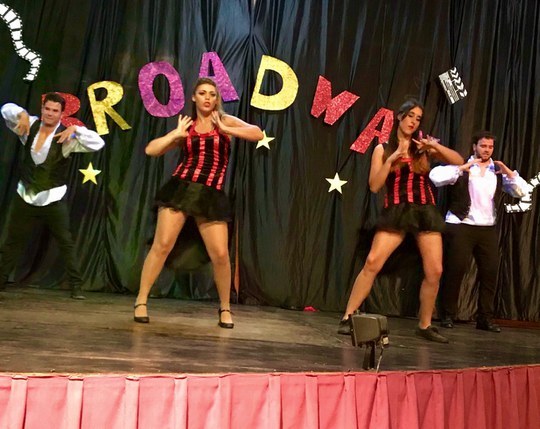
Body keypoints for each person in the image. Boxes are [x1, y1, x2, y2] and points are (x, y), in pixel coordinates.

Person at [134, 77, 263, 328]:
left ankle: (225, 308)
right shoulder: (187, 125)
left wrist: (227, 130)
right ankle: (141, 301)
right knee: (162, 245)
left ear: (217, 99)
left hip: (210, 193)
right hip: (181, 188)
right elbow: (151, 150)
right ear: (194, 97)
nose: (207, 98)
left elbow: (257, 133)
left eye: (212, 94)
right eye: (202, 93)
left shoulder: (224, 120)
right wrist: (175, 135)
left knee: (221, 254)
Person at [338, 99, 464, 343]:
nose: (413, 121)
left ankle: (425, 325)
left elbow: (459, 161)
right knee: (372, 262)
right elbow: (374, 186)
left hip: (425, 211)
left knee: (435, 270)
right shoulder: (383, 148)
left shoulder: (422, 147)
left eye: (418, 118)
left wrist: (434, 146)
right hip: (397, 210)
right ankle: (347, 317)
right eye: (410, 116)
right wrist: (390, 160)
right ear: (400, 116)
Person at [0, 92, 105, 299]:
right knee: (12, 241)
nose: (49, 113)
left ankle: (76, 286)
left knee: (65, 242)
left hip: (52, 197)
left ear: (61, 114)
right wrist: (22, 114)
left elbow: (98, 143)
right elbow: (5, 108)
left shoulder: (67, 137)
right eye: (47, 109)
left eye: (55, 110)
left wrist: (76, 129)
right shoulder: (29, 125)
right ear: (42, 109)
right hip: (25, 194)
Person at [429, 131, 530, 332]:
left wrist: (509, 172)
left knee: (490, 273)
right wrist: (461, 168)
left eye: (490, 147)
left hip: (486, 228)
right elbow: (435, 177)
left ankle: (485, 318)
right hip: (461, 225)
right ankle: (447, 314)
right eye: (483, 146)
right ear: (475, 146)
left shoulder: (496, 171)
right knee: (455, 271)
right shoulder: (463, 166)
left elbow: (523, 191)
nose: (487, 150)